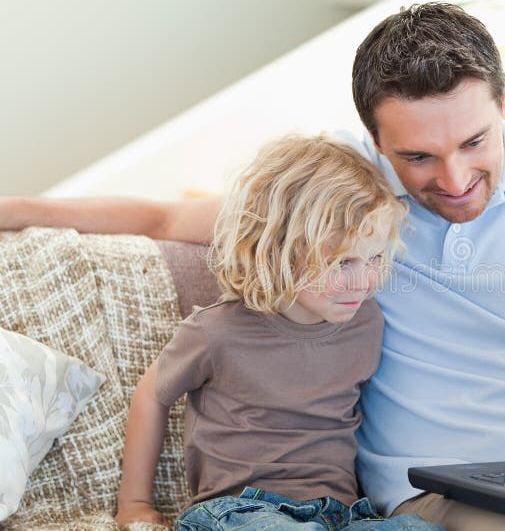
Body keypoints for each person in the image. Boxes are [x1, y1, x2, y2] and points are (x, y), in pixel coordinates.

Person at [3, 3, 505, 530]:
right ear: (374, 144)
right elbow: (165, 219)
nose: (452, 181)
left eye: (474, 142)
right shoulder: (342, 200)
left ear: (504, 102)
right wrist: (22, 210)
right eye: (418, 156)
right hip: (449, 495)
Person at [113, 134, 442, 530]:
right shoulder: (216, 331)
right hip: (240, 511)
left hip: (340, 514)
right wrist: (134, 503)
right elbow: (152, 394)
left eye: (373, 258)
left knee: (419, 528)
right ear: (277, 249)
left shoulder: (367, 324)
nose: (363, 281)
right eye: (341, 263)